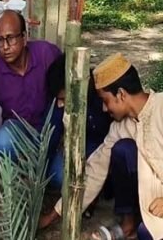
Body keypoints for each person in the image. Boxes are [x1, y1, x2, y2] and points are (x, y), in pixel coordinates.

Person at [39, 53, 157, 239]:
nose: (104, 108)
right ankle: (129, 226)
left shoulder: (160, 108)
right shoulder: (121, 128)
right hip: (152, 198)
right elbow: (94, 171)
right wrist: (54, 214)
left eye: (106, 100)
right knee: (122, 150)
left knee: (147, 233)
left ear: (121, 94)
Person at [0, 9, 62, 180]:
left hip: (51, 133)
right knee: (3, 140)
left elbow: (67, 97)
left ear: (24, 37)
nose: (5, 46)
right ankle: (15, 188)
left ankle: (39, 171)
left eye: (11, 38)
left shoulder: (47, 55)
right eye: (0, 40)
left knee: (62, 178)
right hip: (19, 134)